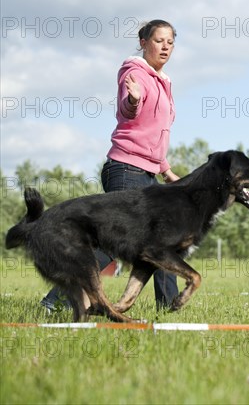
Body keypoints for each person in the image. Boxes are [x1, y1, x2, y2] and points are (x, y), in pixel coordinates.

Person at [40, 19, 179, 313]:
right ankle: (55, 302)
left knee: (162, 243)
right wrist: (132, 100)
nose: (165, 46)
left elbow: (155, 135)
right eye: (159, 40)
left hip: (146, 172)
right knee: (113, 245)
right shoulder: (134, 72)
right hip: (126, 169)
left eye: (170, 41)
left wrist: (165, 170)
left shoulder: (163, 81)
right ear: (143, 42)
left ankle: (169, 312)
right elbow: (128, 111)